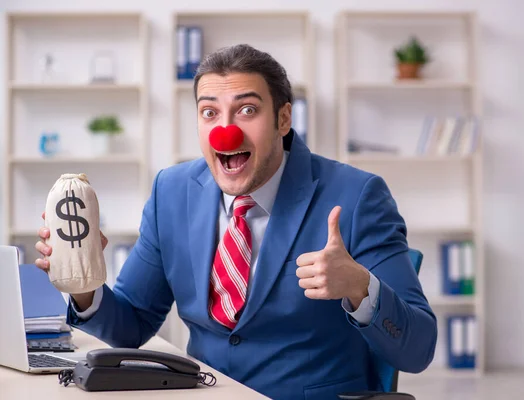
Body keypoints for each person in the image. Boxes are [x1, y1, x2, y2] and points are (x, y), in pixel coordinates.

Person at [35, 44, 437, 400]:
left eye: (247, 110)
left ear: (283, 119)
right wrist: (86, 289)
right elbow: (131, 327)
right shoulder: (172, 191)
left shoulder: (356, 196)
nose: (225, 131)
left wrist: (359, 287)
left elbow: (418, 349)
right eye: (210, 112)